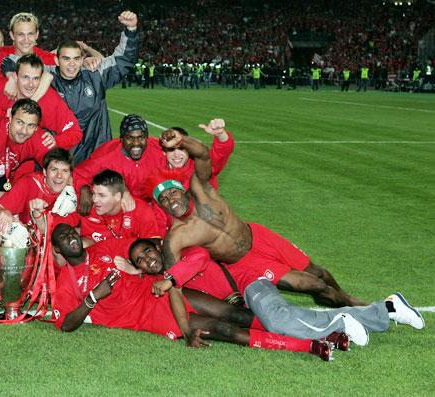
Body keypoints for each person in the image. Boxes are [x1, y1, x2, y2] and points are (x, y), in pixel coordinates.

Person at [147, 127, 366, 308]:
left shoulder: (201, 189)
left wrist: (182, 140)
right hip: (246, 262)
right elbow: (174, 280)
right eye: (163, 199)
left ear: (182, 190)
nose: (170, 200)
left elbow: (203, 154)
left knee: (320, 273)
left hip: (260, 236)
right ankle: (357, 308)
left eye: (172, 193)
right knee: (313, 285)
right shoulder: (177, 237)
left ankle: (351, 302)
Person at [50, 224, 336, 361]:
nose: (71, 237)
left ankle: (319, 331)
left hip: (160, 291)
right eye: (63, 238)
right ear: (59, 251)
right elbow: (65, 324)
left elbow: (141, 247)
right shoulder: (67, 280)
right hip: (150, 317)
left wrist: (141, 264)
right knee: (223, 329)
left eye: (71, 232)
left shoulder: (101, 249)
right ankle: (310, 346)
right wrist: (92, 299)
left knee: (237, 313)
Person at [128, 239, 425, 346]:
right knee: (289, 316)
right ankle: (387, 308)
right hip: (243, 296)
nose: (146, 259)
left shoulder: (178, 252)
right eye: (139, 261)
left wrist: (169, 278)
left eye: (147, 252)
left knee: (279, 322)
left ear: (157, 245)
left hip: (249, 281)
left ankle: (341, 323)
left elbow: (201, 258)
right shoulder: (169, 281)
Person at [50, 11, 138, 164]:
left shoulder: (95, 75)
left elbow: (123, 60)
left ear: (82, 59)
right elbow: (18, 62)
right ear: (57, 60)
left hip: (96, 157)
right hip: (59, 162)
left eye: (76, 59)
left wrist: (131, 30)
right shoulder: (45, 79)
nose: (72, 64)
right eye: (66, 59)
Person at [0, 98, 54, 227]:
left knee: (11, 219)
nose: (24, 131)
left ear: (37, 127)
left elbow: (59, 166)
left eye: (31, 125)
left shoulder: (37, 137)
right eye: (20, 122)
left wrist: (69, 192)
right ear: (10, 117)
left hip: (0, 178)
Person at [73, 114, 165, 209]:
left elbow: (179, 153)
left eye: (141, 137)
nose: (136, 143)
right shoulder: (106, 156)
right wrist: (84, 189)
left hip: (151, 207)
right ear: (121, 138)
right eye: (130, 138)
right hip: (118, 208)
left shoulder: (158, 148)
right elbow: (77, 174)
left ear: (147, 138)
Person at [59, 169, 160, 244]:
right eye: (94, 193)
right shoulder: (86, 203)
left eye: (102, 195)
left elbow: (154, 243)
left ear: (117, 196)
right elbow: (56, 225)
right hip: (94, 260)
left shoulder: (139, 209)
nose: (94, 199)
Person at [0, 147, 74, 225]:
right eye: (54, 169)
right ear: (45, 172)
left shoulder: (72, 196)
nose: (59, 176)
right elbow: (0, 207)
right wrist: (5, 213)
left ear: (70, 175)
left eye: (65, 171)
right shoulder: (29, 182)